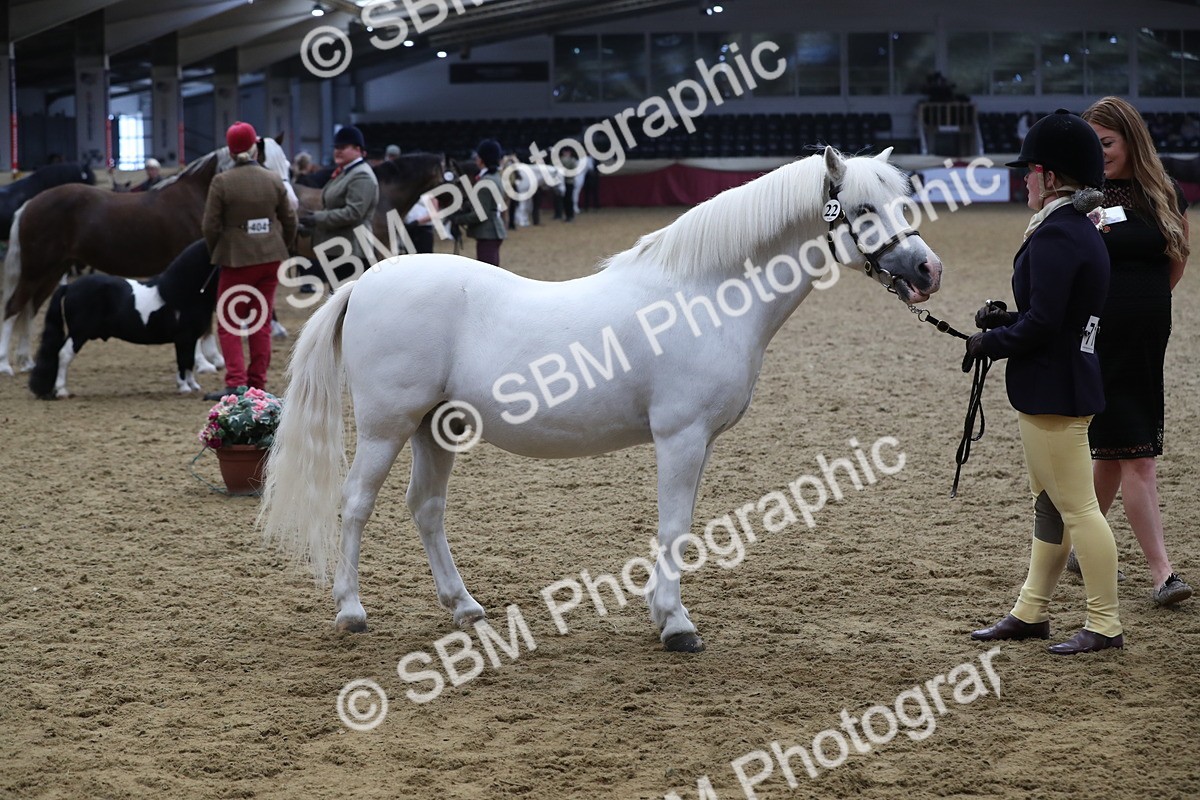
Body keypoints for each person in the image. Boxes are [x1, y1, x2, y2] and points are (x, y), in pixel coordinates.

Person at [967, 110, 1123, 655]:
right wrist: (1002, 320)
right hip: (1058, 382)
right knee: (1051, 506)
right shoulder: (1071, 229)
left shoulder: (1058, 233)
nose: (1023, 180)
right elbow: (1046, 314)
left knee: (1078, 508)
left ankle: (1104, 623)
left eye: (1029, 171)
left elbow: (1045, 325)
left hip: (1055, 388)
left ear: (1051, 177)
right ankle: (1031, 612)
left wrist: (992, 342)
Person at [1073, 96, 1192, 607]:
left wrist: (1146, 306)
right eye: (1093, 145)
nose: (1100, 154)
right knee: (1137, 454)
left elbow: (1177, 259)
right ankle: (1162, 574)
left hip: (1147, 338)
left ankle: (1083, 545)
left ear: (1131, 140)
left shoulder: (1163, 193)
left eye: (1108, 143)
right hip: (1100, 338)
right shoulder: (1083, 198)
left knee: (1114, 449)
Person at [201, 121, 297, 400]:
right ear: (255, 147)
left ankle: (235, 382)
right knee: (261, 320)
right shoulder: (273, 179)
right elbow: (290, 219)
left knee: (230, 322)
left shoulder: (221, 181)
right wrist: (283, 245)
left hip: (237, 259)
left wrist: (217, 249)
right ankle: (257, 382)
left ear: (230, 152)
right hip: (270, 257)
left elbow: (210, 226)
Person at [298, 125, 379, 287]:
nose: (337, 151)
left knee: (346, 304)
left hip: (351, 250)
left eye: (343, 147)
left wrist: (316, 219)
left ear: (358, 149)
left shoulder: (361, 175)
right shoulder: (346, 172)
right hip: (338, 248)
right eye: (336, 147)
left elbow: (353, 213)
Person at [449, 138, 506, 267]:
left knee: (487, 275)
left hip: (488, 233)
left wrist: (457, 219)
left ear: (481, 160)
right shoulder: (496, 176)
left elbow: (480, 214)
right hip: (493, 230)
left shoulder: (484, 182)